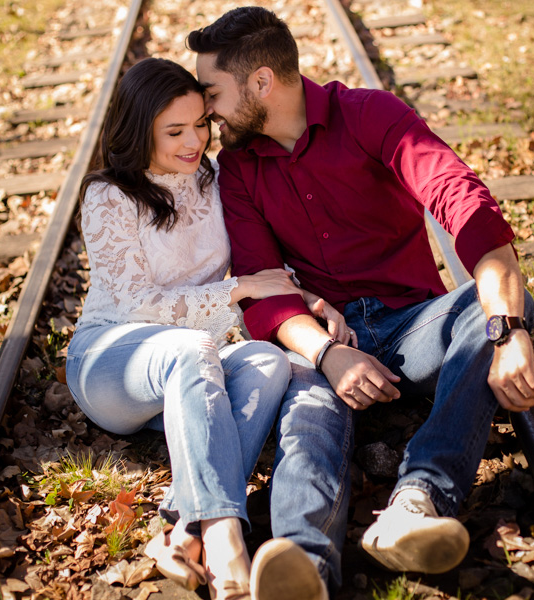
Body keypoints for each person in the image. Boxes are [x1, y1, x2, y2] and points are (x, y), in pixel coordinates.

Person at [187, 8, 534, 600]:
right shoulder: (238, 169)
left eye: (212, 93)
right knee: (306, 415)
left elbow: (465, 203)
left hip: (414, 326)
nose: (207, 111)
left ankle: (418, 501)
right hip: (323, 337)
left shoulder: (369, 115)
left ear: (260, 83)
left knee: (483, 313)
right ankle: (302, 568)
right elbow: (261, 288)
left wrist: (509, 332)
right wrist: (328, 353)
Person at [64, 57, 352, 600]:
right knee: (194, 348)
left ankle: (183, 526)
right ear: (137, 130)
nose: (194, 140)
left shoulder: (211, 178)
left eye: (201, 123)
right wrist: (238, 289)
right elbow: (137, 305)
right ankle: (225, 540)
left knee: (267, 363)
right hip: (111, 363)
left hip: (193, 369)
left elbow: (258, 268)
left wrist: (303, 296)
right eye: (174, 131)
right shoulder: (108, 195)